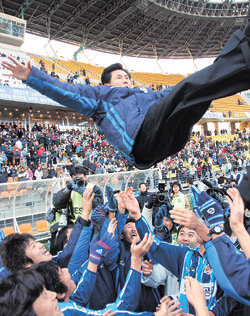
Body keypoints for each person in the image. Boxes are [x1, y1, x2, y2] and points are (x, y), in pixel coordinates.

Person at [3, 21, 250, 169]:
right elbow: (69, 93)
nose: (126, 79)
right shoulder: (101, 96)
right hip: (141, 139)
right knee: (189, 89)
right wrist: (32, 77)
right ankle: (242, 52)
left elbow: (171, 91)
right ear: (108, 82)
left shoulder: (144, 94)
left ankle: (241, 50)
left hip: (167, 142)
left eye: (127, 76)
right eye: (121, 77)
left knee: (198, 93)